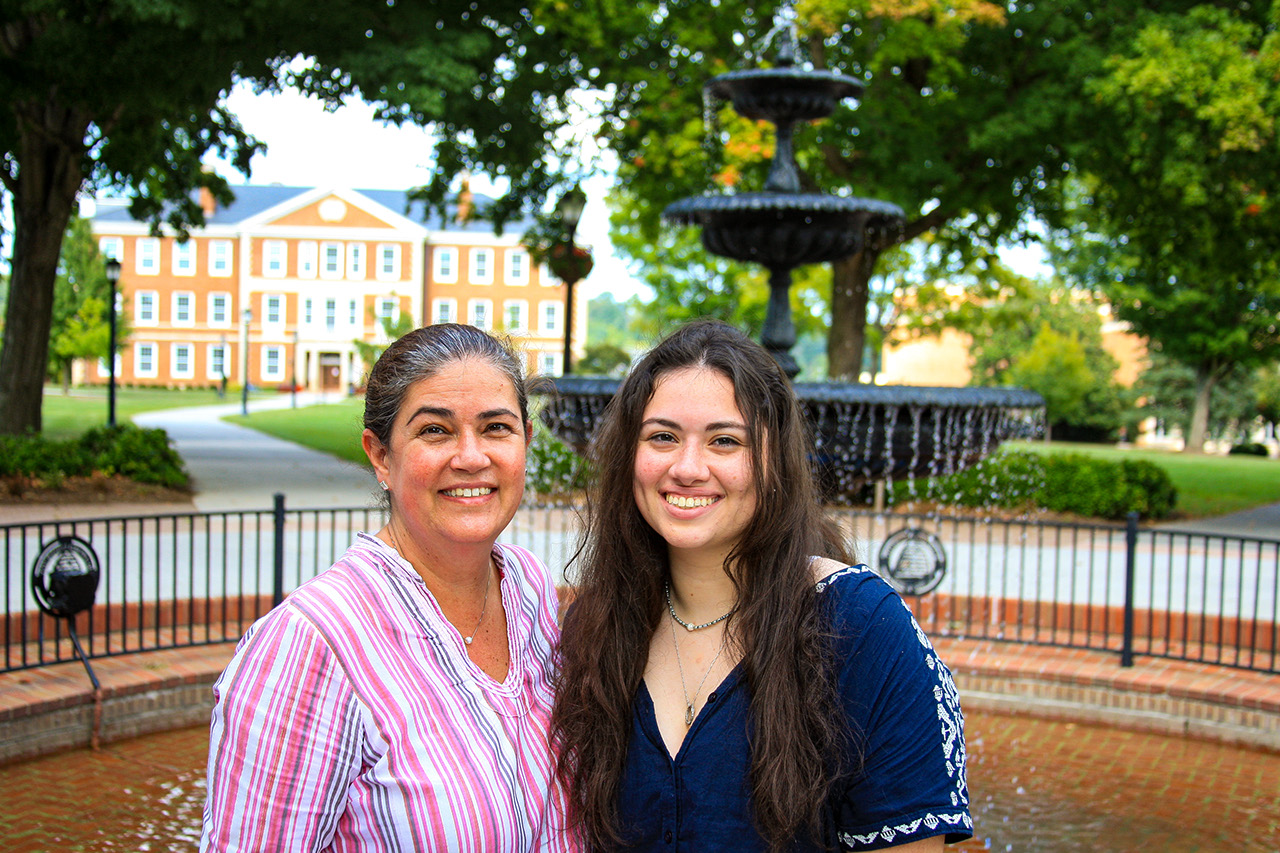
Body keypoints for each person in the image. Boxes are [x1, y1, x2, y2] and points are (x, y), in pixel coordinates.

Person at [551, 320, 971, 852]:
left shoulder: (859, 626)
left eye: (725, 441)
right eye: (662, 437)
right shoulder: (596, 625)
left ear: (773, 461)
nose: (687, 467)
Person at [202, 324, 573, 852]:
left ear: (526, 443)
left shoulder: (528, 589)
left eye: (496, 428)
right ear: (380, 456)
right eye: (435, 431)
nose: (471, 457)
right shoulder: (310, 647)